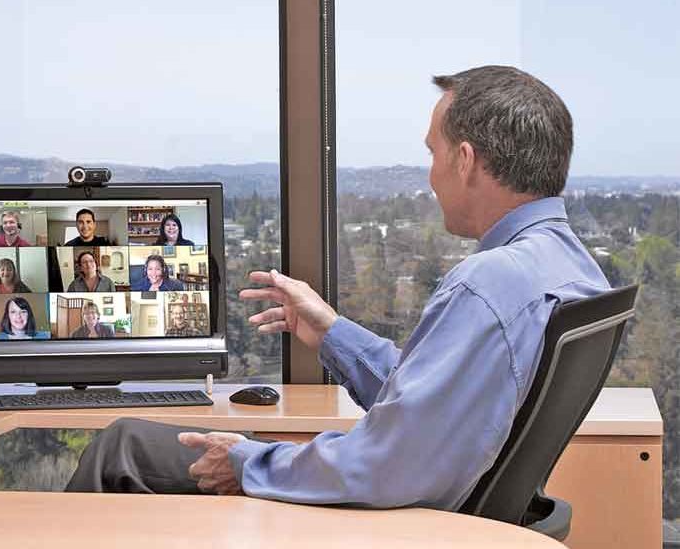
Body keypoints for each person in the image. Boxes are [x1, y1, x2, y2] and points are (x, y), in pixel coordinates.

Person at [65, 66, 610, 511]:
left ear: (465, 161)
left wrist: (247, 463)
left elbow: (388, 467)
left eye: (433, 153)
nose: (430, 175)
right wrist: (330, 331)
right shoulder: (571, 267)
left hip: (402, 516)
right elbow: (432, 404)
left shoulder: (489, 285)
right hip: (436, 505)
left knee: (122, 447)